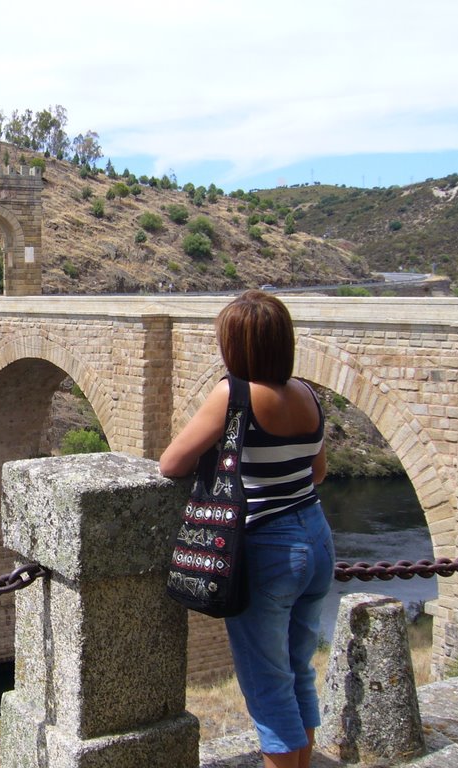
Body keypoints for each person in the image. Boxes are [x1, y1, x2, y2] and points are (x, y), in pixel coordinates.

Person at [159, 290, 333, 768]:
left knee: (266, 685)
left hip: (268, 547)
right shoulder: (307, 393)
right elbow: (316, 472)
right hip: (316, 538)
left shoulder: (232, 394)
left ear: (237, 345)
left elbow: (171, 463)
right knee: (298, 672)